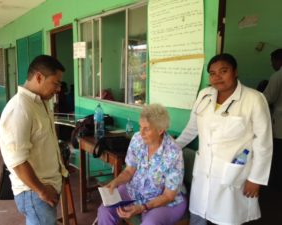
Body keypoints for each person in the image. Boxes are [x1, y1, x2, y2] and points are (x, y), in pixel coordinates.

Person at [176, 53, 273, 225]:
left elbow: (263, 143)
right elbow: (192, 128)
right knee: (199, 216)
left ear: (235, 72)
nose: (217, 77)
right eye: (212, 73)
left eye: (223, 71)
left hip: (234, 174)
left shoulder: (254, 99)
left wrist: (256, 179)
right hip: (204, 171)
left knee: (228, 217)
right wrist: (173, 147)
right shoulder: (204, 95)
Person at [0, 55, 68, 225]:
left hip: (43, 190)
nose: (58, 89)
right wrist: (42, 191)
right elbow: (17, 162)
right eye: (55, 83)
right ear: (39, 77)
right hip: (34, 193)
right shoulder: (20, 108)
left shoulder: (40, 102)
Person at [98, 104, 187, 225]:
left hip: (165, 201)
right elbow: (129, 171)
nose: (141, 132)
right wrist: (116, 182)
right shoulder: (137, 139)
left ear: (160, 130)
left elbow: (168, 196)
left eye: (147, 128)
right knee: (105, 210)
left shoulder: (173, 153)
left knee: (150, 223)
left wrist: (142, 207)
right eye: (140, 127)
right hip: (135, 190)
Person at [263, 48, 282, 190]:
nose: (272, 65)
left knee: (278, 155)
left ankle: (275, 185)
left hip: (279, 122)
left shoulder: (278, 76)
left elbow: (267, 99)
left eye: (272, 62)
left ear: (278, 60)